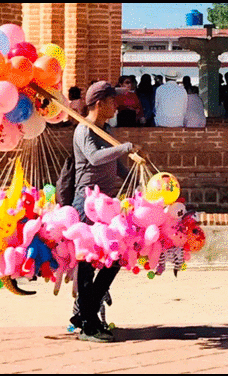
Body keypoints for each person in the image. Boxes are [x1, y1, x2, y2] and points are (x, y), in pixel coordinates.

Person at [70, 81, 135, 343]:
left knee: (114, 259)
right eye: (112, 100)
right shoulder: (84, 129)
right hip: (86, 206)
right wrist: (126, 147)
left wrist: (137, 176)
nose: (116, 105)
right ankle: (87, 323)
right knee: (86, 267)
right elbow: (96, 157)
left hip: (106, 208)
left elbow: (115, 165)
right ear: (99, 104)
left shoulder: (105, 129)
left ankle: (85, 315)